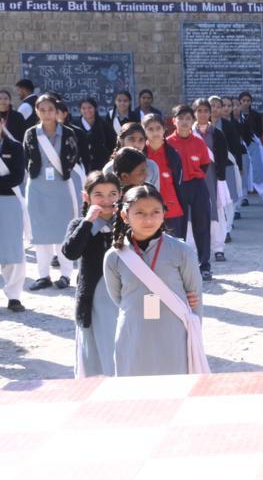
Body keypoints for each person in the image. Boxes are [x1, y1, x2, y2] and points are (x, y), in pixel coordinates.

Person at [104, 183, 209, 376]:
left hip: (174, 332)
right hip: (133, 332)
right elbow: (117, 297)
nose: (149, 219)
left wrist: (194, 335)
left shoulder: (182, 251)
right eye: (140, 213)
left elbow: (195, 296)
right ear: (125, 216)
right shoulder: (114, 256)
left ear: (164, 214)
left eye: (155, 212)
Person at [63, 171, 122, 377]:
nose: (106, 200)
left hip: (123, 296)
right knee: (96, 346)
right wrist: (88, 221)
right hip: (94, 298)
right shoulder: (80, 225)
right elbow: (70, 252)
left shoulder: (127, 223)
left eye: (112, 193)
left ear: (120, 195)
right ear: (86, 197)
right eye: (99, 194)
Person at [23, 94, 80, 290]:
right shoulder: (31, 133)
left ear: (58, 112)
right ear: (37, 111)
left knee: (64, 232)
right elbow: (27, 157)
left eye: (51, 109)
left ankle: (65, 275)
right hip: (38, 187)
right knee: (41, 233)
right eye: (42, 109)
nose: (47, 113)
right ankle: (43, 275)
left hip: (61, 187)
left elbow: (72, 157)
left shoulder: (68, 133)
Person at [166, 105, 214, 281]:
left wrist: (195, 176)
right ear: (174, 121)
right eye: (181, 118)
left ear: (192, 121)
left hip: (197, 185)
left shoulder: (199, 142)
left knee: (202, 224)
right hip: (177, 187)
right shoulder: (168, 143)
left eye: (188, 118)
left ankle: (204, 265)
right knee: (178, 227)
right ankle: (178, 265)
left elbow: (204, 164)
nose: (184, 122)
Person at [193, 99, 230, 263]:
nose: (202, 114)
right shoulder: (187, 133)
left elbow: (221, 157)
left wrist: (221, 178)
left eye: (205, 111)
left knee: (215, 211)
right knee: (193, 213)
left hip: (212, 177)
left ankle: (218, 248)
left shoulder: (216, 133)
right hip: (193, 177)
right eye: (199, 110)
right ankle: (194, 248)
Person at [142, 114, 185, 235]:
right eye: (150, 129)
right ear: (144, 131)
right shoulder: (140, 154)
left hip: (171, 208)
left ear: (164, 129)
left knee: (174, 247)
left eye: (158, 128)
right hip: (146, 208)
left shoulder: (173, 154)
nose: (155, 132)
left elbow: (179, 182)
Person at [0, 126, 25, 311]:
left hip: (10, 200)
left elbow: (17, 177)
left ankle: (14, 295)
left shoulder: (15, 147)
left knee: (13, 248)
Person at [238, 92, 263, 207]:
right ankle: (243, 197)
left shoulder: (256, 115)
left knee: (259, 170)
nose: (246, 103)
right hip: (240, 147)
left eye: (248, 100)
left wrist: (252, 137)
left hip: (254, 145)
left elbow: (260, 131)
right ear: (240, 102)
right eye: (243, 100)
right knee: (242, 172)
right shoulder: (236, 115)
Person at [76, 98, 114, 172]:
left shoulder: (104, 125)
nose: (87, 110)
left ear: (95, 108)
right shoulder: (75, 126)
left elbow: (112, 144)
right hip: (82, 165)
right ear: (80, 110)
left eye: (90, 107)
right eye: (83, 108)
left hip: (101, 164)